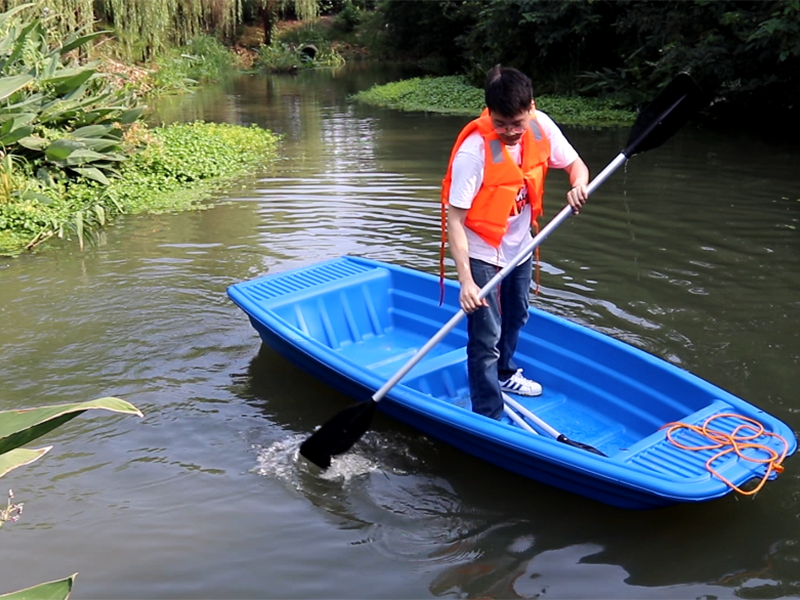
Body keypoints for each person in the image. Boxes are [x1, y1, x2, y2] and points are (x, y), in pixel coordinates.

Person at [441, 65, 590, 420]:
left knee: (518, 314)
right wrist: (466, 281)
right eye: (501, 123)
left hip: (520, 246)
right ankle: (487, 413)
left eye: (516, 124)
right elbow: (455, 221)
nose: (509, 132)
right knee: (485, 334)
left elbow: (577, 166)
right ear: (490, 112)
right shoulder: (474, 152)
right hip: (480, 250)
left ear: (531, 108)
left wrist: (578, 185)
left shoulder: (541, 127)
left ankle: (505, 374)